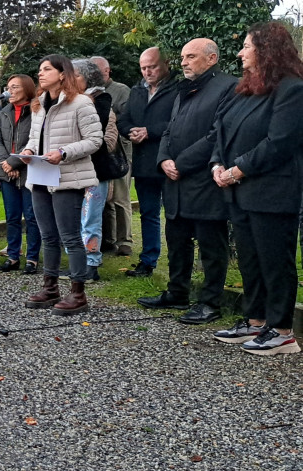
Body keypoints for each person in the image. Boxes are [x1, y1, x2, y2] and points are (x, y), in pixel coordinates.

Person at [210, 22, 303, 355]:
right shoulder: (245, 89)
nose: (240, 52)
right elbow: (220, 129)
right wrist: (218, 163)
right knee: (250, 260)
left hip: (272, 192)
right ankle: (255, 320)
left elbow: (280, 142)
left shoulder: (292, 89)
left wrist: (237, 170)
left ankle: (281, 331)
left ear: (266, 49)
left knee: (274, 261)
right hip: (239, 190)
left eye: (246, 46)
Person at [138, 39, 237, 324]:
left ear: (211, 58)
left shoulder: (227, 87)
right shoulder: (184, 89)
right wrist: (164, 159)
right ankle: (177, 292)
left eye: (190, 57)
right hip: (175, 182)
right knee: (177, 240)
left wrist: (180, 163)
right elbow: (170, 129)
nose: (183, 62)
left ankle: (210, 302)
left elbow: (217, 134)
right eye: (182, 57)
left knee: (211, 245)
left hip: (204, 181)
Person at [20, 54, 103, 315]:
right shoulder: (38, 104)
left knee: (70, 236)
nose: (41, 74)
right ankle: (51, 287)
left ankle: (78, 293)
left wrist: (64, 152)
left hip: (68, 177)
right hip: (40, 175)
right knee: (47, 235)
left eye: (47, 69)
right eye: (39, 69)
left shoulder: (81, 103)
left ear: (62, 74)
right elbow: (35, 138)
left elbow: (95, 140)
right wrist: (28, 150)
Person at [118, 47, 179, 276]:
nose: (147, 72)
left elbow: (179, 122)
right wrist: (130, 131)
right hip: (144, 163)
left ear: (166, 63)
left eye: (152, 66)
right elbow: (123, 120)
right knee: (148, 213)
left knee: (174, 215)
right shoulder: (137, 91)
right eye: (143, 68)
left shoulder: (177, 89)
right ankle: (148, 260)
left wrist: (149, 131)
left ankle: (177, 263)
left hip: (169, 161)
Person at [72, 58, 119, 282]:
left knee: (90, 218)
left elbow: (105, 141)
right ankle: (77, 263)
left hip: (95, 171)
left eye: (76, 76)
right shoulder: (70, 101)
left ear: (88, 78)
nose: (70, 81)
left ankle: (92, 265)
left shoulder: (102, 101)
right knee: (74, 218)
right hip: (73, 171)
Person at [0, 74, 41, 274]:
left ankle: (32, 258)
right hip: (7, 173)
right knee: (12, 216)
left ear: (27, 89)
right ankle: (13, 256)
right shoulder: (4, 112)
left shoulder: (37, 111)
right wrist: (5, 163)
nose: (9, 91)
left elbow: (35, 140)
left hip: (29, 171)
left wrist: (14, 163)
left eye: (15, 87)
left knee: (31, 216)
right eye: (8, 87)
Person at [92, 56, 134, 256]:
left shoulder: (121, 90)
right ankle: (107, 239)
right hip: (99, 154)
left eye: (98, 71)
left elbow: (128, 118)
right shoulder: (90, 93)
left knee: (120, 198)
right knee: (104, 199)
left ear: (107, 71)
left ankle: (125, 240)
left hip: (119, 152)